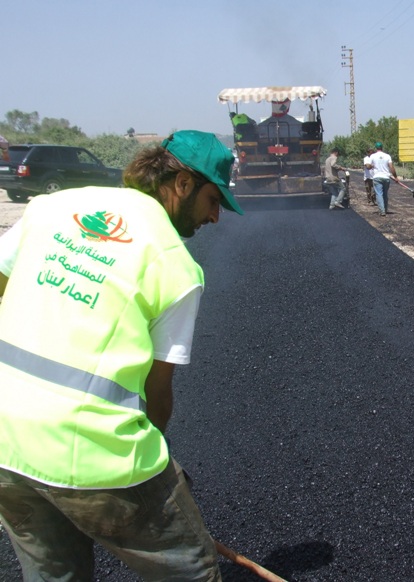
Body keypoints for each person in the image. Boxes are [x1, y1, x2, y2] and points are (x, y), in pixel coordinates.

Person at [0, 130, 243, 582]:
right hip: (95, 451)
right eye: (214, 200)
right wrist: (161, 472)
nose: (215, 217)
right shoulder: (174, 263)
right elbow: (158, 391)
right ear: (183, 184)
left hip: (5, 440)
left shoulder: (53, 207)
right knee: (189, 569)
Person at [367, 141, 397, 217]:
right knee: (385, 194)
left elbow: (368, 166)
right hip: (386, 178)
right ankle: (385, 209)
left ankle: (382, 211)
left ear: (376, 148)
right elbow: (391, 167)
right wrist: (395, 177)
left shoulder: (373, 156)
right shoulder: (387, 156)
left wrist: (372, 166)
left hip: (377, 178)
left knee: (379, 194)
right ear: (382, 147)